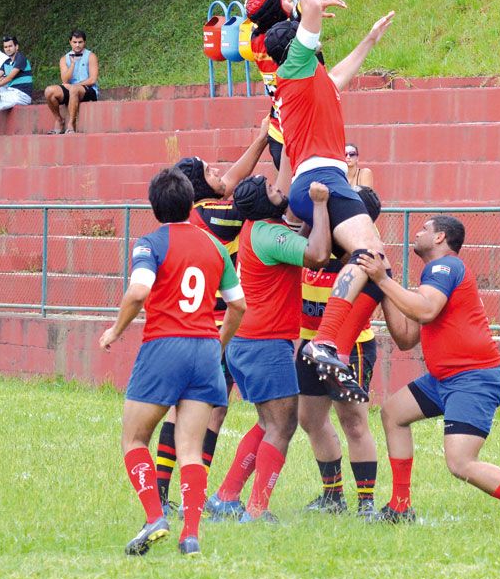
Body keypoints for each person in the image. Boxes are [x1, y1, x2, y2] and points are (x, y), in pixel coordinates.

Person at [356, 214, 500, 530]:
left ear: (440, 238)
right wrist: (384, 292)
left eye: (424, 228)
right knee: (393, 412)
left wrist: (384, 280)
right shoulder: (433, 275)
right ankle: (400, 507)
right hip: (446, 378)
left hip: (473, 377)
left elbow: (425, 310)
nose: (417, 232)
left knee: (460, 462)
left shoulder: (445, 266)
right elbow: (407, 338)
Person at [263, 0, 395, 386]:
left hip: (315, 180)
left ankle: (332, 345)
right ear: (297, 50)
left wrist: (370, 41)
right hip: (322, 178)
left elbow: (340, 75)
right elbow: (313, 10)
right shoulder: (295, 68)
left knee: (379, 268)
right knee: (370, 256)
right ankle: (327, 342)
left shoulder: (308, 84)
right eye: (310, 42)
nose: (318, 46)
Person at [99, 166, 246, 557]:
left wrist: (115, 330)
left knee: (133, 439)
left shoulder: (150, 242)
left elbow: (138, 292)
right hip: (204, 351)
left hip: (165, 346)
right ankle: (191, 536)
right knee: (191, 450)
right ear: (190, 203)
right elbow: (238, 305)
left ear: (153, 206)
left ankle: (154, 517)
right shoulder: (215, 246)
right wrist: (218, 345)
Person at [152, 118, 270, 512]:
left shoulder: (201, 211)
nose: (221, 172)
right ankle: (183, 495)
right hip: (215, 330)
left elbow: (234, 177)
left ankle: (173, 493)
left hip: (196, 328)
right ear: (201, 188)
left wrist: (259, 137)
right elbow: (242, 189)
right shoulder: (215, 217)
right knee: (206, 413)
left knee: (198, 410)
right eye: (210, 170)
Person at [207, 173, 331, 523]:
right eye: (272, 190)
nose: (280, 190)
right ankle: (257, 510)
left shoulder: (255, 230)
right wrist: (320, 206)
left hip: (247, 342)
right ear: (264, 204)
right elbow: (318, 255)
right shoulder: (269, 233)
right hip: (264, 344)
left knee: (267, 423)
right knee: (282, 426)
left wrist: (306, 224)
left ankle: (226, 496)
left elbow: (293, 250)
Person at [298, 186, 383, 520]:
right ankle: (332, 495)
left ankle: (366, 503)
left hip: (351, 347)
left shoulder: (362, 258)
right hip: (309, 342)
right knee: (310, 419)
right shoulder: (317, 243)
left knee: (353, 422)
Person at [245, 0, 347, 168]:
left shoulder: (258, 38)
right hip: (301, 138)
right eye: (287, 0)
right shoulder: (290, 36)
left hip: (281, 133)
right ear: (284, 13)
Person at [44, 29, 99, 134]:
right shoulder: (64, 58)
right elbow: (64, 79)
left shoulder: (91, 56)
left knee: (73, 89)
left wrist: (74, 86)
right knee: (49, 91)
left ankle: (71, 124)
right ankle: (59, 120)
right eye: (75, 42)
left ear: (84, 42)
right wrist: (73, 64)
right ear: (70, 42)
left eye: (80, 42)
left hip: (88, 89)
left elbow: (93, 79)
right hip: (71, 89)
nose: (77, 45)